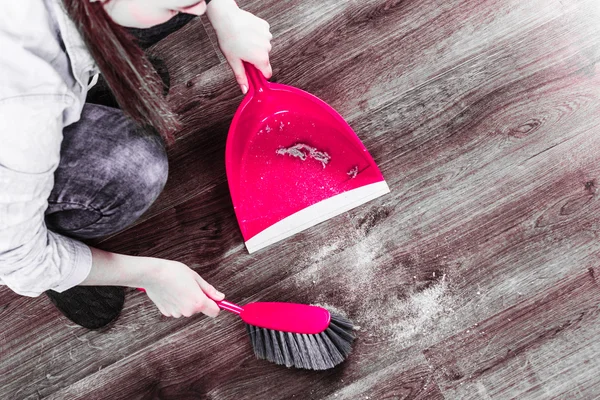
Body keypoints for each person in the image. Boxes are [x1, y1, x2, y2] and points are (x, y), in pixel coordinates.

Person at [0, 0, 272, 329]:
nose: (200, 10)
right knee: (135, 169)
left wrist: (227, 16)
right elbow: (19, 261)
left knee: (167, 19)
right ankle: (53, 230)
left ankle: (85, 98)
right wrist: (151, 274)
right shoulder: (24, 110)